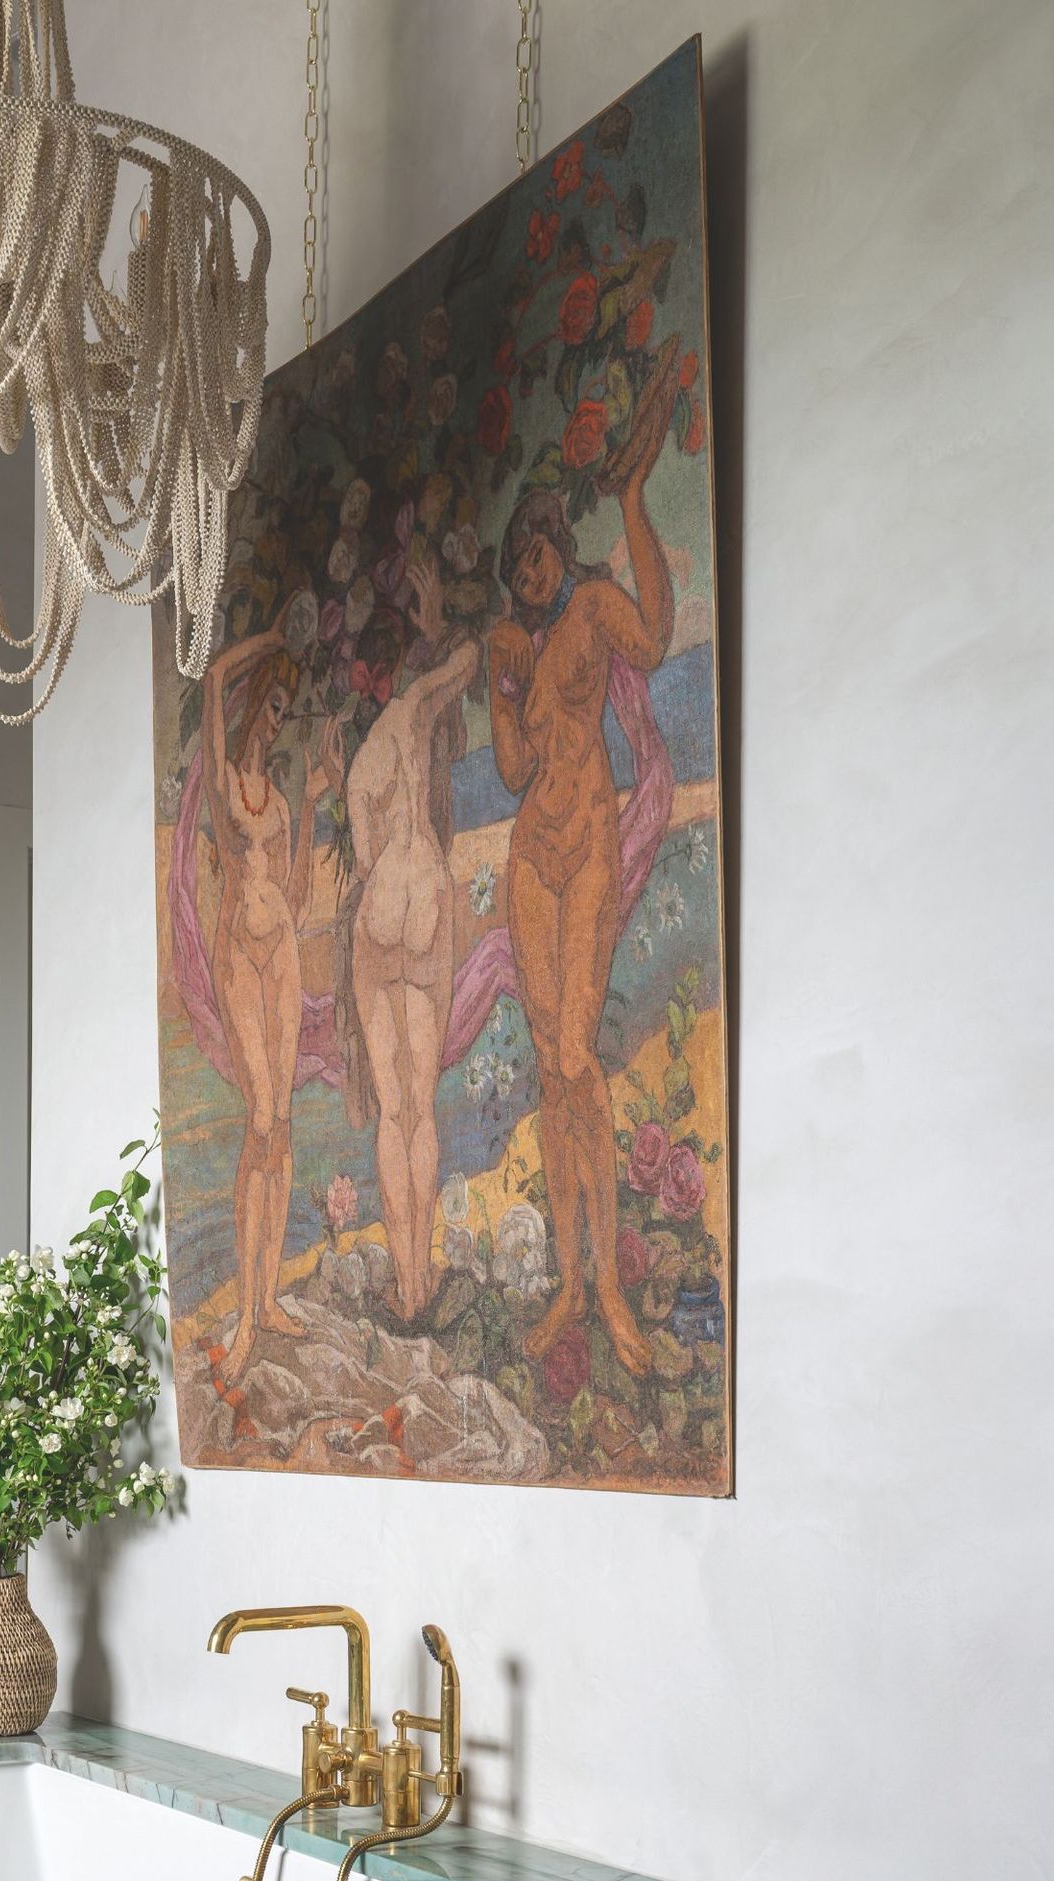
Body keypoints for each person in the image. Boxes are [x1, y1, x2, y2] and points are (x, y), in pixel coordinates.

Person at [487, 343, 683, 1376]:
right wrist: (499, 685)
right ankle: (573, 1280)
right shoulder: (523, 649)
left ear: (556, 544)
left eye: (535, 556)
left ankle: (607, 1288)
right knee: (551, 1072)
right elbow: (514, 770)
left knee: (575, 1062)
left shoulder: (596, 605)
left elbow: (655, 637)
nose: (530, 574)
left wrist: (635, 502)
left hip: (591, 849)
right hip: (533, 858)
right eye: (517, 569)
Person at [340, 558, 483, 1322]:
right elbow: (468, 661)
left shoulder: (360, 766)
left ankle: (401, 1282)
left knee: (391, 1111)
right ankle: (422, 1276)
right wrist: (439, 626)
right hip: (423, 899)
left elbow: (365, 862)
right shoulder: (415, 710)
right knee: (421, 1109)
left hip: (377, 919)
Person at [201, 618, 341, 1380]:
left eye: (287, 711)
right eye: (274, 705)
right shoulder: (224, 782)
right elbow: (212, 678)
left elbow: (296, 894)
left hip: (281, 950)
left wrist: (313, 800)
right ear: (257, 699)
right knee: (258, 1118)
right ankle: (248, 1316)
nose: (277, 721)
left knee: (281, 1123)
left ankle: (270, 1298)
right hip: (239, 958)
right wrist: (273, 639)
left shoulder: (281, 807)